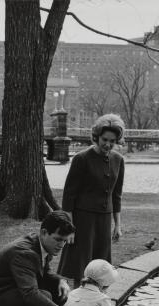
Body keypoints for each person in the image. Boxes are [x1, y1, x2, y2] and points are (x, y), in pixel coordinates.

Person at [58, 113, 125, 287]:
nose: (108, 144)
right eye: (105, 139)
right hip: (83, 220)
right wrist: (70, 229)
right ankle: (77, 302)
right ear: (96, 137)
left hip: (104, 219)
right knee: (80, 265)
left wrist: (117, 225)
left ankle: (97, 301)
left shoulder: (118, 160)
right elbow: (68, 196)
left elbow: (116, 195)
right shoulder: (82, 159)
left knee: (101, 267)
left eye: (112, 141)